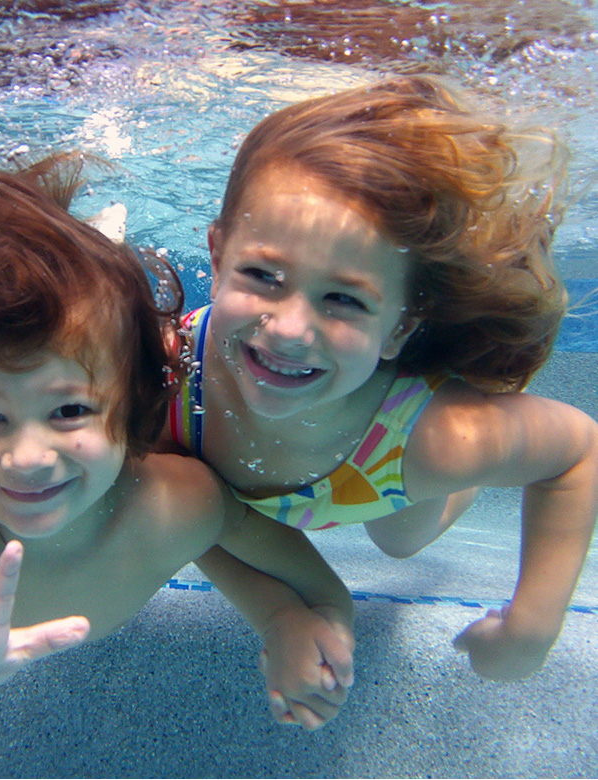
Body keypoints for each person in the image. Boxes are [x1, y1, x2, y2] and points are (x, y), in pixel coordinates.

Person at [0, 141, 353, 727]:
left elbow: (230, 538)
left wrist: (291, 617)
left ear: (134, 404)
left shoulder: (178, 501)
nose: (29, 458)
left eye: (68, 411)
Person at [169, 73, 598, 722]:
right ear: (218, 256)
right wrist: (278, 615)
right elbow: (192, 520)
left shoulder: (437, 442)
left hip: (383, 464)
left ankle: (466, 456)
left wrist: (532, 627)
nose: (288, 329)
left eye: (343, 299)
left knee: (401, 540)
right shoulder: (165, 376)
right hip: (297, 479)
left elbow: (575, 453)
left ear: (401, 324)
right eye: (262, 276)